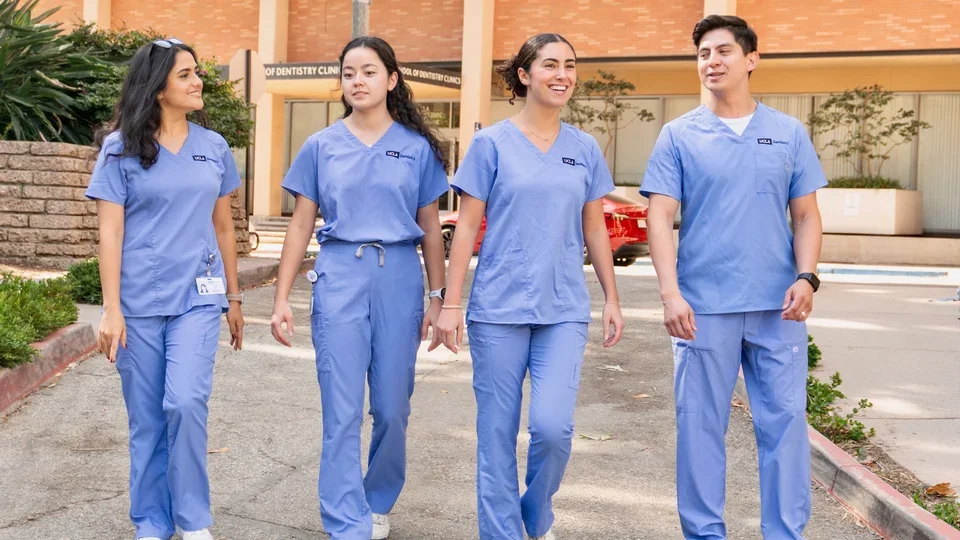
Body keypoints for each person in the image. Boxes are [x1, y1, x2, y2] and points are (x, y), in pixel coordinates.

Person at [640, 15, 828, 539]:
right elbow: (660, 216)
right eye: (703, 54)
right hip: (702, 308)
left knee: (786, 427)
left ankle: (785, 534)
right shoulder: (679, 135)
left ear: (751, 59)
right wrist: (670, 293)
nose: (712, 62)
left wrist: (808, 277)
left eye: (723, 51)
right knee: (700, 431)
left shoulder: (787, 132)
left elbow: (807, 215)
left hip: (778, 305)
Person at [436, 33, 626, 540]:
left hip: (563, 308)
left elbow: (593, 229)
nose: (562, 74)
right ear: (524, 75)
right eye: (549, 65)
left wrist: (611, 297)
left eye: (569, 65)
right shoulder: (490, 143)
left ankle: (535, 517)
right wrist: (450, 304)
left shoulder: (584, 147)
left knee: (553, 428)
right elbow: (468, 227)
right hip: (497, 308)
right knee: (496, 434)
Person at [270, 37, 450, 540]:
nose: (358, 81)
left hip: (398, 277)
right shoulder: (321, 145)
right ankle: (345, 520)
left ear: (391, 80)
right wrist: (282, 298)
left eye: (369, 72)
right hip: (339, 275)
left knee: (392, 407)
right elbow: (301, 226)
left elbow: (432, 230)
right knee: (342, 408)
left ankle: (377, 499)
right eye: (349, 73)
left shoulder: (415, 149)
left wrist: (439, 299)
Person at [86, 37, 245, 540]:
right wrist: (111, 309)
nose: (198, 81)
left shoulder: (214, 147)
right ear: (157, 88)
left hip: (197, 299)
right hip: (138, 304)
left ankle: (193, 519)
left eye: (197, 72)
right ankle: (152, 521)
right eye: (186, 74)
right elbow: (109, 231)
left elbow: (224, 228)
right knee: (148, 421)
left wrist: (234, 296)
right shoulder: (120, 149)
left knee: (184, 403)